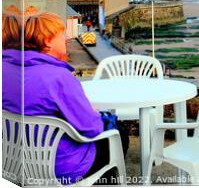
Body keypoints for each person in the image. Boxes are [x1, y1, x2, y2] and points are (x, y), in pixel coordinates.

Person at [2, 12, 123, 185]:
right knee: (118, 136)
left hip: (12, 164)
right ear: (46, 41)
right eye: (61, 33)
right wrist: (95, 113)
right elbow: (92, 128)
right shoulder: (59, 77)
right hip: (58, 168)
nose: (67, 37)